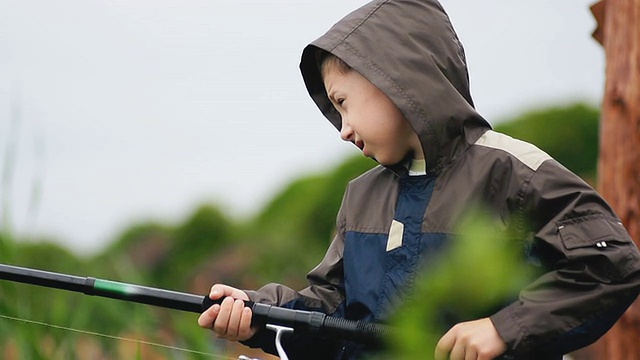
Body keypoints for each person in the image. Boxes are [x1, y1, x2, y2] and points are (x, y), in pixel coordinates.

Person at [198, 0, 640, 359]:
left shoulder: (514, 172)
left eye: (343, 102)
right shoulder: (361, 196)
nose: (343, 128)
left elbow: (611, 266)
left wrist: (503, 328)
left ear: (394, 78)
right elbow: (334, 311)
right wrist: (260, 314)